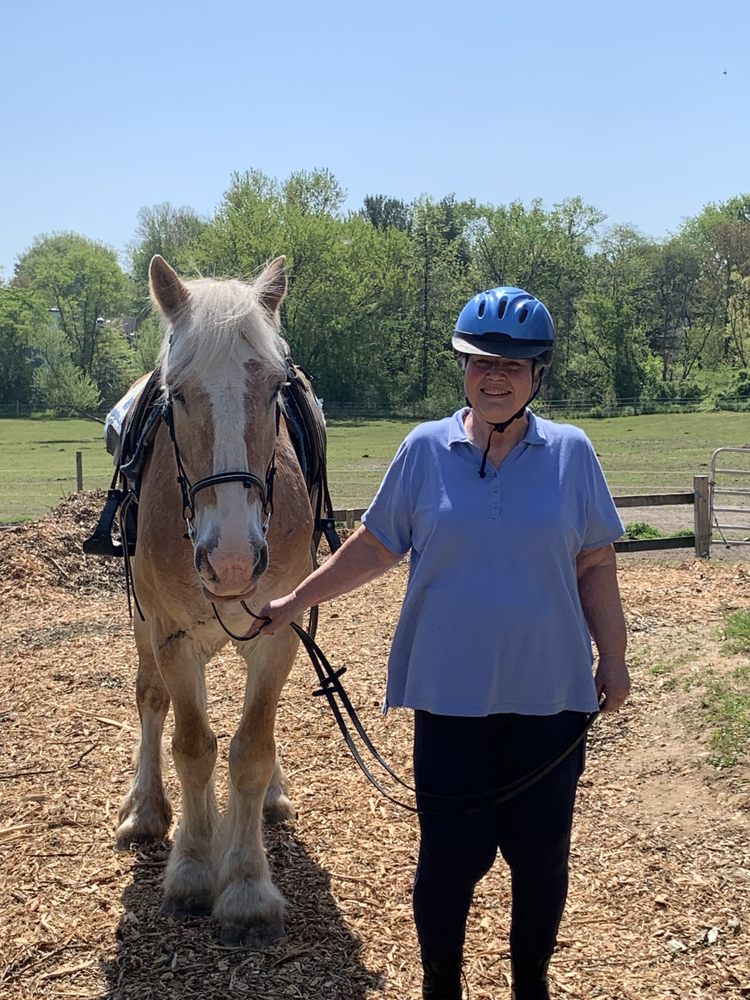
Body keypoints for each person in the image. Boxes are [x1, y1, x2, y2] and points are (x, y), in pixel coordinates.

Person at [258, 286, 630, 1000]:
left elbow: (594, 563)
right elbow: (376, 545)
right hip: (450, 695)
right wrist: (295, 600)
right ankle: (441, 985)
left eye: (512, 366)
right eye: (481, 362)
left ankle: (530, 985)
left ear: (537, 375)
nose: (495, 377)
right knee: (451, 859)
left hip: (551, 696)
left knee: (541, 857)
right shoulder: (425, 450)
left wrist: (611, 658)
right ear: (463, 369)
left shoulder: (572, 453)